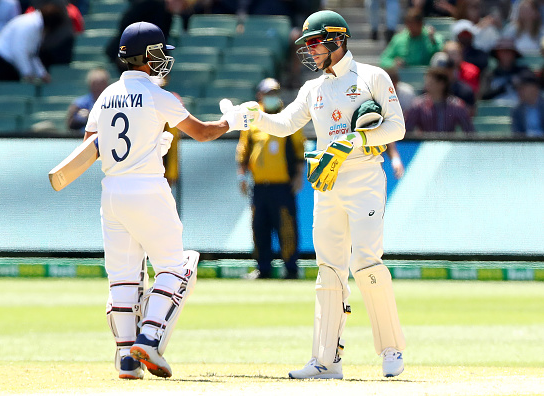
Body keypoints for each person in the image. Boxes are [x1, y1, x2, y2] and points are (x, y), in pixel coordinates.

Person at [221, 9, 407, 379]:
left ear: (338, 39)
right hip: (327, 183)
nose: (310, 50)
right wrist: (252, 115)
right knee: (329, 269)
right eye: (307, 43)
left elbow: (397, 127)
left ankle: (391, 350)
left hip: (364, 178)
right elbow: (285, 123)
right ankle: (325, 361)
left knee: (367, 262)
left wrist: (354, 140)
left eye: (316, 42)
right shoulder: (312, 88)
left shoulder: (371, 76)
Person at [83, 21, 248, 381]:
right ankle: (150, 335)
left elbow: (90, 144)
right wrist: (230, 122)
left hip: (111, 191)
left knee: (122, 279)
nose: (164, 60)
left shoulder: (106, 94)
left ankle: (127, 358)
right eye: (160, 53)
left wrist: (147, 143)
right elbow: (202, 132)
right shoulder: (159, 95)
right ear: (149, 55)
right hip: (147, 188)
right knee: (174, 267)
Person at [235, 78, 305, 280]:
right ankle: (262, 268)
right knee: (260, 228)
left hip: (282, 185)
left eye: (275, 93)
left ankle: (291, 268)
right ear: (260, 96)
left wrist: (299, 176)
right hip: (260, 186)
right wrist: (242, 176)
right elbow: (243, 151)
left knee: (287, 228)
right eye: (268, 93)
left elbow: (299, 150)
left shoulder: (288, 118)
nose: (272, 97)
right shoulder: (252, 121)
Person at [0, 2, 66, 82]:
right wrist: (27, 74)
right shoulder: (28, 24)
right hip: (0, 63)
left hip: (9, 65)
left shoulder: (37, 26)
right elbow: (18, 51)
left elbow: (32, 54)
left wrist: (42, 74)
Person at [405, 67, 475, 134]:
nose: (427, 86)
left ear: (441, 84)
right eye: (427, 83)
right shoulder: (418, 105)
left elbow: (469, 131)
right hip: (425, 145)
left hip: (449, 144)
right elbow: (407, 130)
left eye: (431, 83)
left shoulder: (456, 105)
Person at [481, 37, 531, 105]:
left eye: (509, 52)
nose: (506, 55)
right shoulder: (489, 73)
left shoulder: (523, 72)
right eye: (503, 52)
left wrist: (520, 84)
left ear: (514, 54)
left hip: (519, 111)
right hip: (495, 112)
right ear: (497, 54)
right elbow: (483, 96)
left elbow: (533, 91)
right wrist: (506, 87)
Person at [430, 50, 476, 114]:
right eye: (438, 72)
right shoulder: (428, 90)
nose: (442, 74)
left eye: (446, 70)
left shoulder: (465, 91)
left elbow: (471, 114)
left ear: (452, 70)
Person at [66, 67, 110, 135]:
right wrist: (81, 119)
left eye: (101, 84)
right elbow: (70, 124)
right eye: (94, 84)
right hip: (83, 137)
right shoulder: (79, 104)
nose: (97, 88)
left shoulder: (112, 103)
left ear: (107, 85)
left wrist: (90, 116)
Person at [511, 69, 544, 137]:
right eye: (518, 89)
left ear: (534, 88)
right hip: (525, 146)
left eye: (522, 88)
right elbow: (517, 135)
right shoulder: (517, 111)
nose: (519, 92)